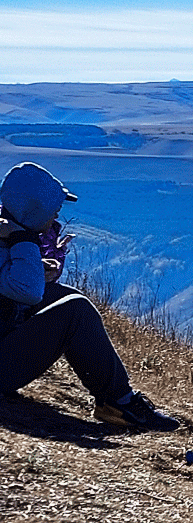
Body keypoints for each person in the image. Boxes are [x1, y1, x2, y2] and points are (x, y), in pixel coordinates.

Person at [0, 162, 179, 431]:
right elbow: (27, 291)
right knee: (75, 311)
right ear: (32, 211)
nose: (56, 219)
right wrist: (24, 239)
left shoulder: (7, 231)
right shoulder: (15, 234)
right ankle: (120, 403)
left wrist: (35, 265)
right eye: (52, 212)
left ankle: (117, 399)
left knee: (64, 296)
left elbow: (14, 285)